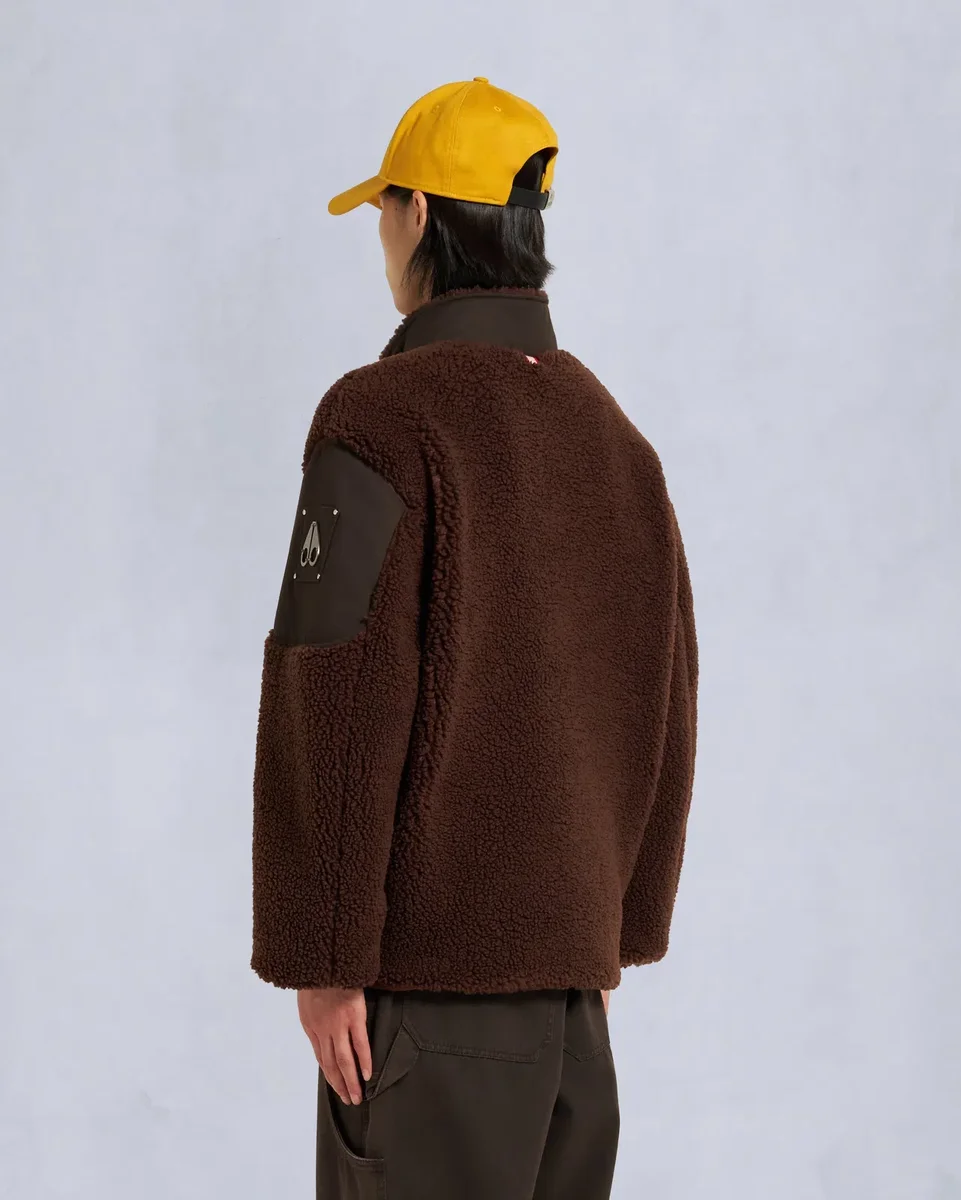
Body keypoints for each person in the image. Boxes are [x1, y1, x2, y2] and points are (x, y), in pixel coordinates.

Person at [250, 75, 699, 1200]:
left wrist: (321, 954)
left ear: (417, 216)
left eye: (384, 213)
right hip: (574, 1021)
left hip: (427, 1009)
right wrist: (611, 929)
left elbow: (333, 690)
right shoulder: (615, 440)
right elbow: (667, 694)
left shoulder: (380, 416)